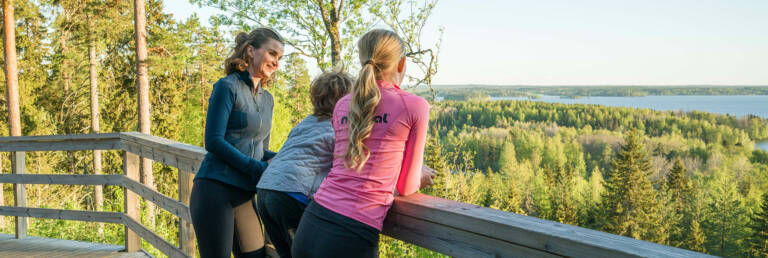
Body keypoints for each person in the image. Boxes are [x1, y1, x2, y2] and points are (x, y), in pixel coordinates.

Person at [292, 29, 435, 258]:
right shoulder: (414, 106)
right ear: (401, 64)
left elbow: (347, 168)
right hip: (351, 236)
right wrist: (420, 175)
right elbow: (408, 187)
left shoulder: (343, 104)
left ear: (362, 60)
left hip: (311, 225)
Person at [190, 28, 284, 258]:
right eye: (272, 54)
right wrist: (256, 167)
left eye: (280, 58)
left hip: (244, 194)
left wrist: (282, 160)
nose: (276, 63)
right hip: (215, 189)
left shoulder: (268, 99)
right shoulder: (227, 86)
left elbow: (261, 149)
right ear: (251, 51)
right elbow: (213, 141)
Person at [256, 71, 353, 258]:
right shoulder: (339, 127)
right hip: (292, 194)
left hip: (265, 190)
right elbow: (350, 164)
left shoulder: (305, 124)